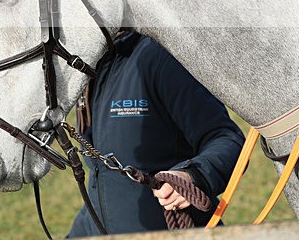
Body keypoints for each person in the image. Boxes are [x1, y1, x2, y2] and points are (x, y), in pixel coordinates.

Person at [68, 30, 245, 237]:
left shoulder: (160, 57)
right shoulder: (92, 66)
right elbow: (103, 181)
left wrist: (192, 176)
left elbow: (226, 138)